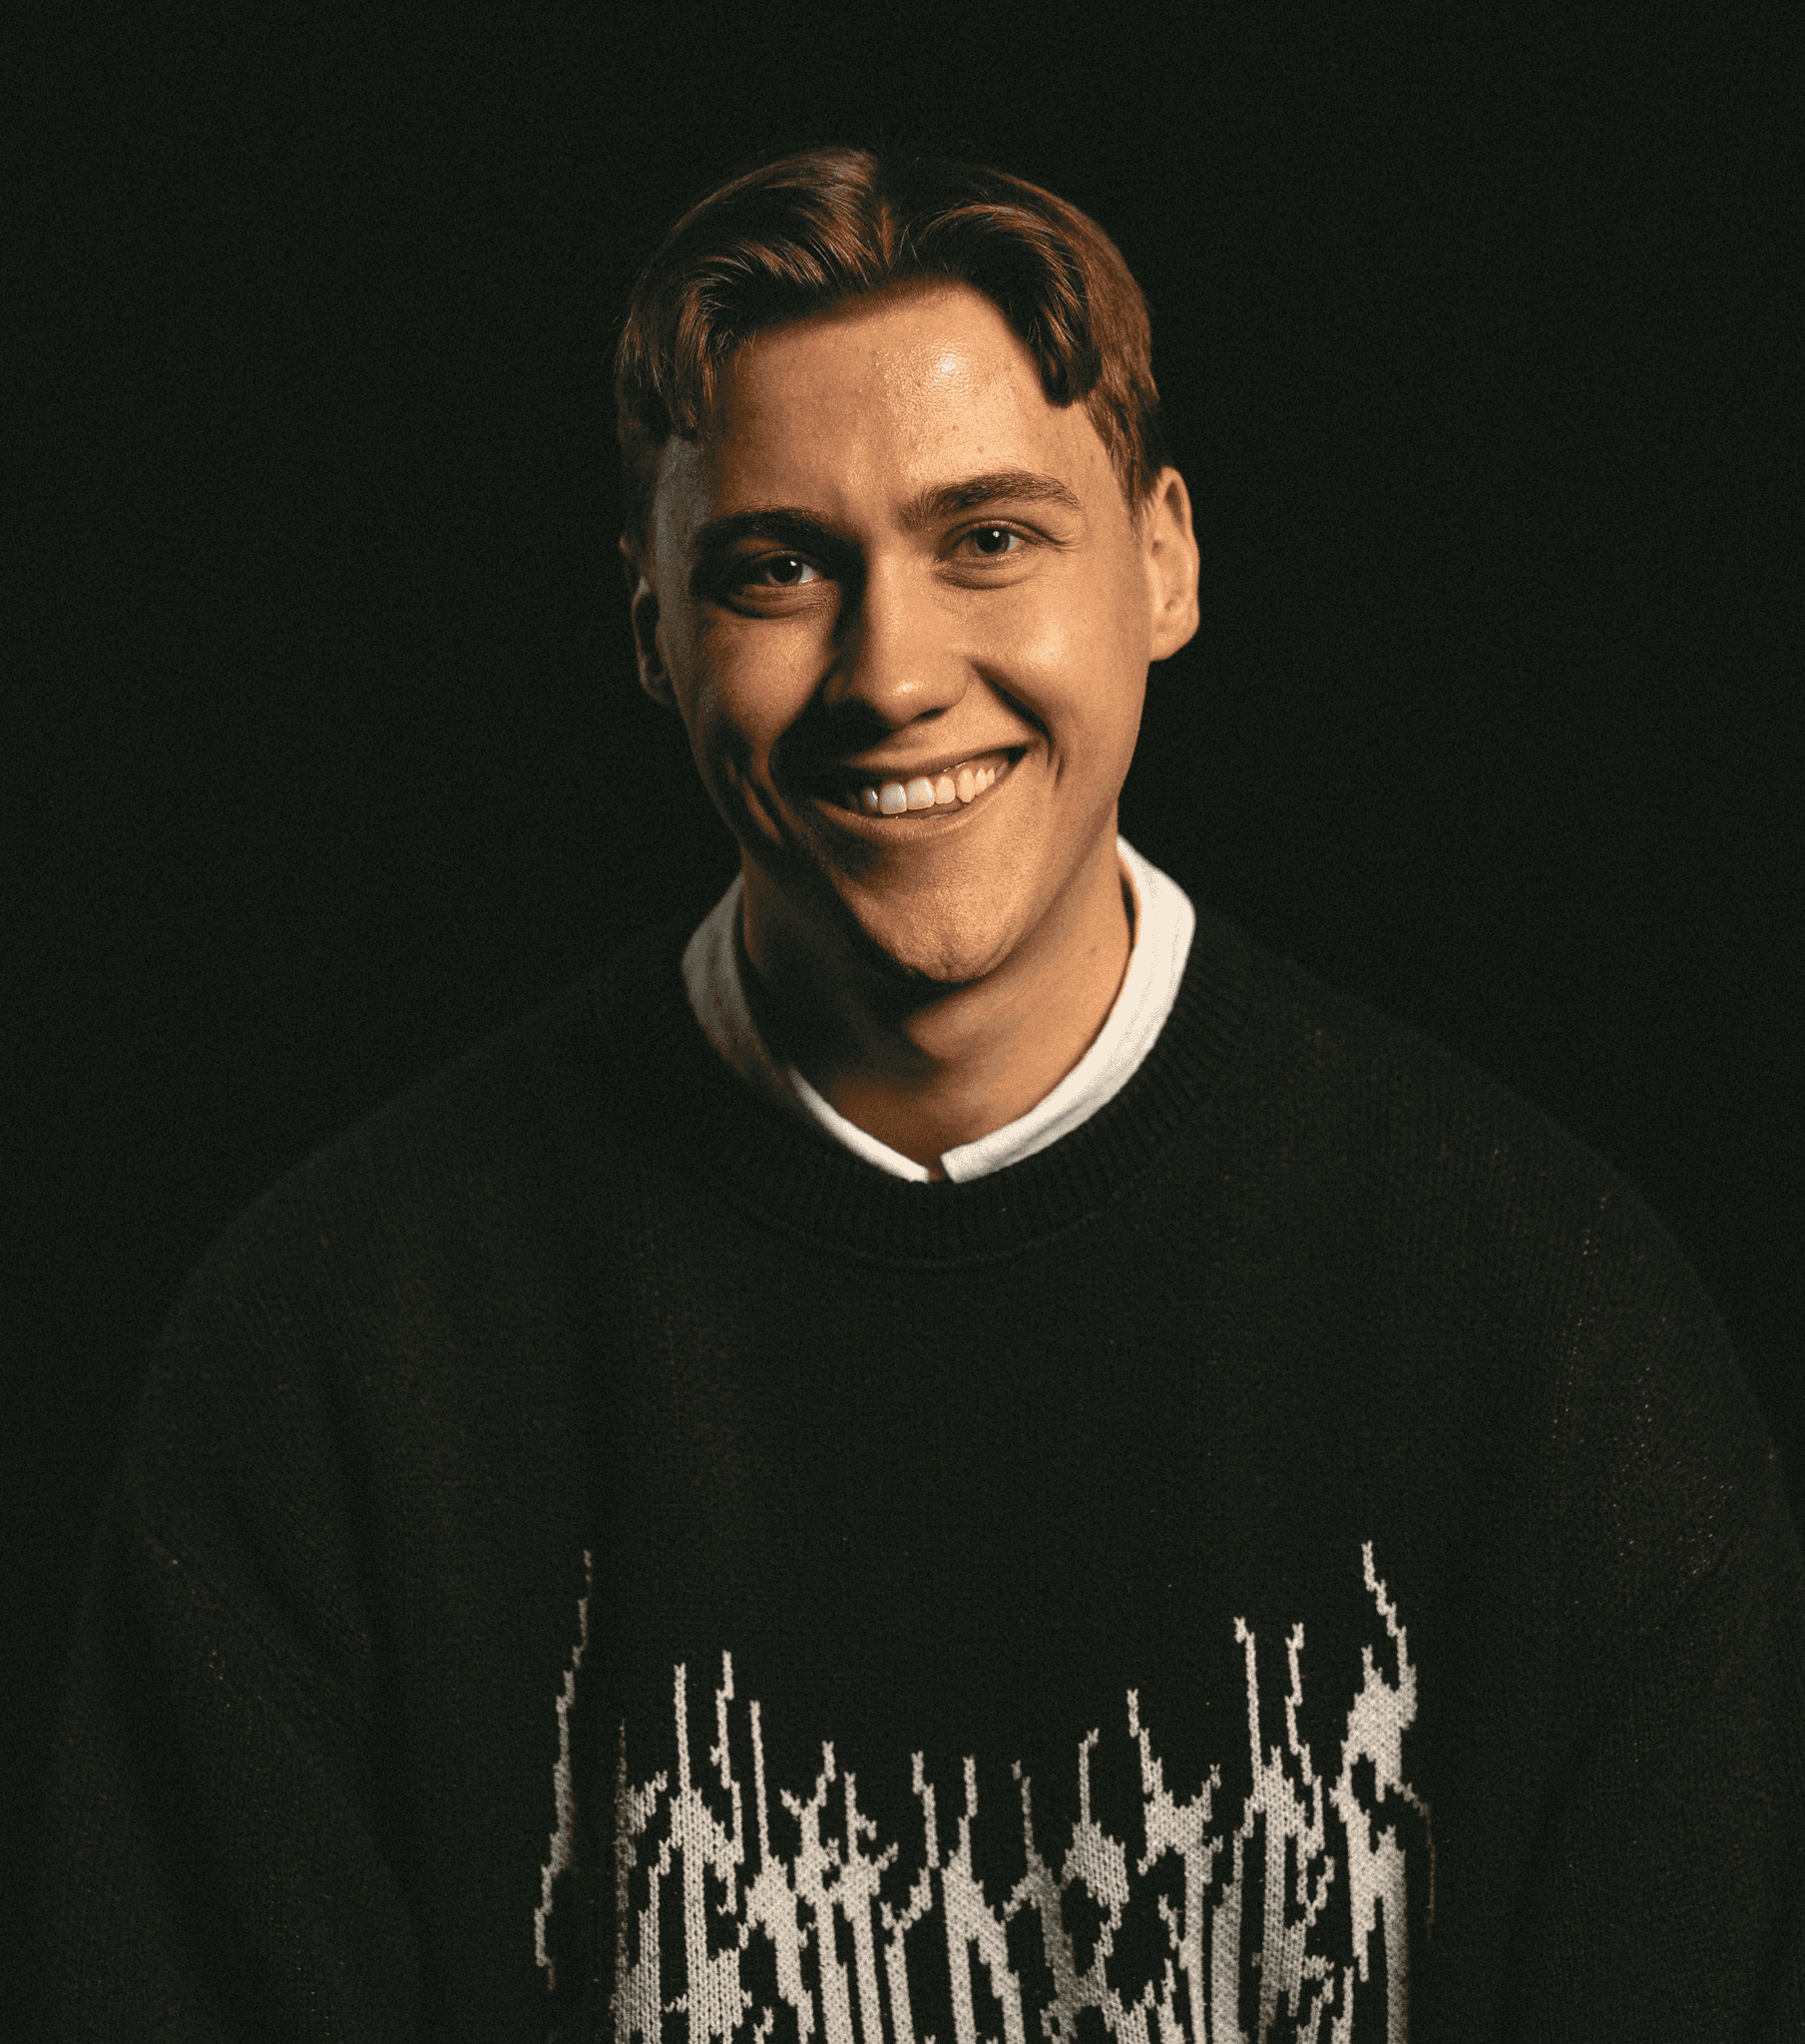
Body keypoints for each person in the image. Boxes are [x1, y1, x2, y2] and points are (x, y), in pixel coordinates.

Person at [40, 146, 1804, 2042]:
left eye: (990, 540)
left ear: (1166, 561)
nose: (892, 675)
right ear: (650, 630)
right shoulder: (332, 1354)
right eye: (777, 569)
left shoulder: (1552, 1334)